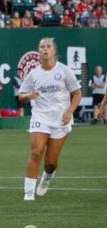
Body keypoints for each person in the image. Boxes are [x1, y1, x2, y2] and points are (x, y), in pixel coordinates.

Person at [19, 38, 81, 201]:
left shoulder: (65, 71)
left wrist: (69, 112)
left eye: (48, 47)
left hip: (61, 120)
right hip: (40, 117)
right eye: (42, 47)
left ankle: (46, 178)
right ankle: (29, 193)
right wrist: (27, 96)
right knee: (36, 152)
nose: (45, 49)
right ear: (39, 51)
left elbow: (77, 93)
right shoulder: (33, 74)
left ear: (54, 51)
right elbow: (21, 96)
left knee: (51, 162)